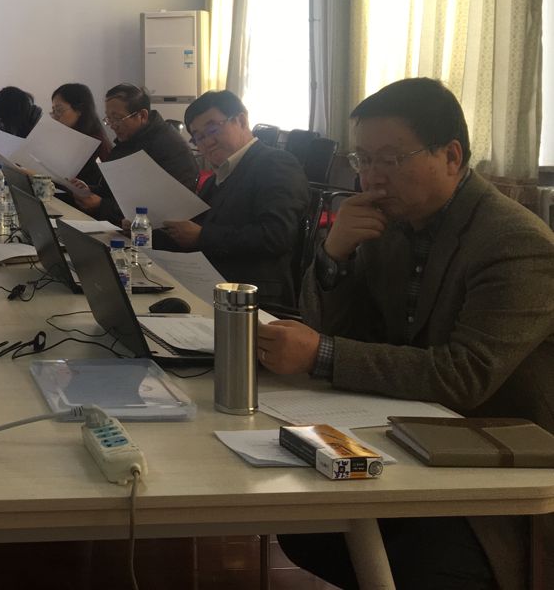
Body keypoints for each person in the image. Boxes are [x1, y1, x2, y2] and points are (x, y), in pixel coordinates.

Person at [259, 78, 554, 590]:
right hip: (400, 434)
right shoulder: (387, 225)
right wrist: (333, 255)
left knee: (412, 563)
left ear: (451, 156)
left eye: (391, 159)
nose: (371, 177)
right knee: (307, 527)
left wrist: (321, 353)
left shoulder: (516, 244)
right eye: (363, 159)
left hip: (494, 466)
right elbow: (342, 331)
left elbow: (464, 377)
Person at [153, 89, 308, 309]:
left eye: (212, 129)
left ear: (241, 120)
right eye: (199, 137)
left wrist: (202, 236)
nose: (207, 142)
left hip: (252, 295)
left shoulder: (276, 164)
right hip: (212, 283)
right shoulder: (215, 179)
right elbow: (192, 231)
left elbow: (277, 235)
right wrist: (146, 229)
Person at [68, 83, 198, 224]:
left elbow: (162, 208)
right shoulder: (129, 140)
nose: (112, 125)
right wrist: (89, 191)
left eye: (117, 118)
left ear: (142, 116)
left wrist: (101, 205)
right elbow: (114, 190)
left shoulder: (170, 148)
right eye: (109, 118)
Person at [49, 83, 114, 189]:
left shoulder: (95, 143)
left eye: (59, 110)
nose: (55, 117)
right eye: (53, 111)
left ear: (80, 109)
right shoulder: (63, 138)